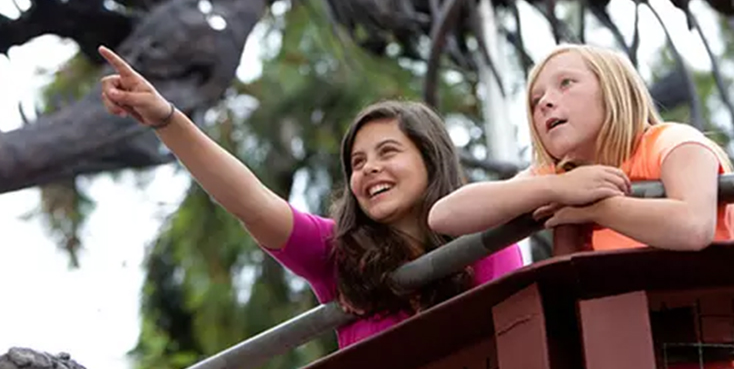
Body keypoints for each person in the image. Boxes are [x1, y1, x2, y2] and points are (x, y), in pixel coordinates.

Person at [97, 45, 523, 348]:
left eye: (387, 152)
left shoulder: (483, 236)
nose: (368, 168)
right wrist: (165, 119)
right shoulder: (338, 255)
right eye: (356, 162)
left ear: (431, 159)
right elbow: (248, 199)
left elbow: (521, 333)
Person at [428, 44, 733, 252]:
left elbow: (694, 227)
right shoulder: (561, 175)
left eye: (566, 83)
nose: (545, 102)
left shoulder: (673, 143)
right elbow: (444, 216)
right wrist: (556, 188)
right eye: (535, 101)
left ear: (614, 90)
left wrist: (596, 207)